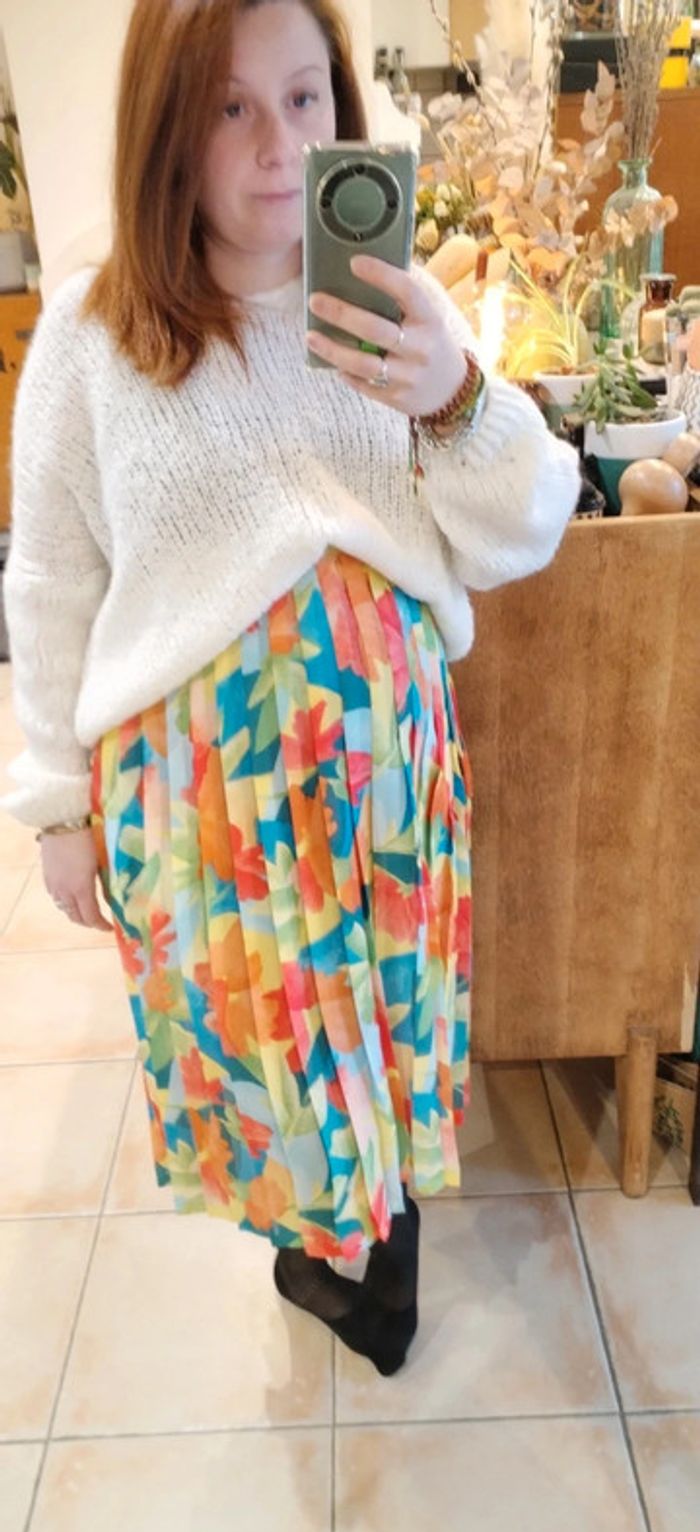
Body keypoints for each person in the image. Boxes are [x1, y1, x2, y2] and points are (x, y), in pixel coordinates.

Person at [1, 0, 580, 1376]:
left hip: (384, 788)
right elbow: (54, 574)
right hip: (204, 808)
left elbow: (528, 523)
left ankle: (378, 1248)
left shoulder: (394, 305)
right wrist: (55, 805)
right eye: (230, 107)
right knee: (263, 1059)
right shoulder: (92, 335)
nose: (278, 145)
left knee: (380, 1027)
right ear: (165, 127)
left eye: (305, 98)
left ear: (342, 110)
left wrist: (450, 394)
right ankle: (334, 1250)